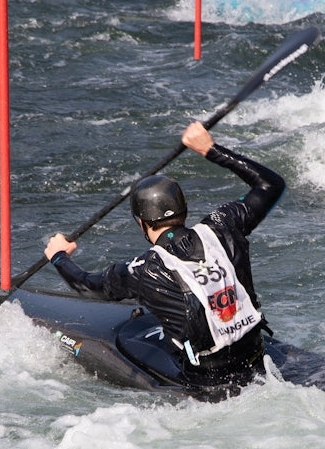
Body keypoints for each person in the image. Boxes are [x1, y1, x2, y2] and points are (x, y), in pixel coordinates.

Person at [44, 121, 285, 387]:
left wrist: (59, 257)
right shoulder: (224, 225)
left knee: (143, 345)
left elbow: (86, 286)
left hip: (208, 378)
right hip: (253, 356)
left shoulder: (143, 269)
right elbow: (270, 184)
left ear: (141, 223)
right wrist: (210, 149)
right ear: (184, 211)